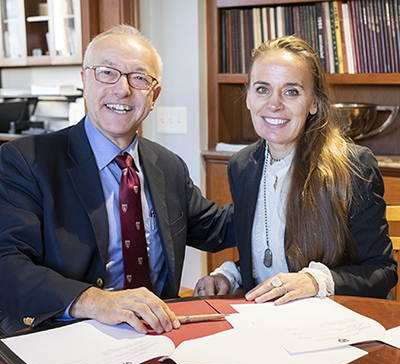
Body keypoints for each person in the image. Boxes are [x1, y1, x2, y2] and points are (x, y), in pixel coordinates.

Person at [0, 25, 234, 336]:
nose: (122, 89)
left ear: (154, 96)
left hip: (158, 332)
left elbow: (217, 228)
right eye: (107, 72)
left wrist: (279, 161)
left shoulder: (168, 166)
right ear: (84, 80)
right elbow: (7, 264)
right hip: (65, 334)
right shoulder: (27, 160)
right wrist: (95, 302)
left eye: (139, 78)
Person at [194, 36, 397, 304]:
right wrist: (229, 276)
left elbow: (382, 271)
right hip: (266, 322)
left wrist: (315, 281)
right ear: (248, 98)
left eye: (291, 91)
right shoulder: (242, 165)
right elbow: (270, 251)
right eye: (262, 89)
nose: (274, 104)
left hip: (332, 324)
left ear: (313, 102)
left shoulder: (354, 166)